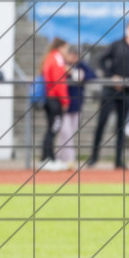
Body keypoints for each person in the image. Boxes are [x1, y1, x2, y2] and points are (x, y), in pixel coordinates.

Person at [87, 20, 129, 169]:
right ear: (127, 30)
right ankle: (94, 157)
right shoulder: (117, 45)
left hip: (127, 92)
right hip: (110, 90)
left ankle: (118, 161)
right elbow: (100, 60)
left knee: (121, 127)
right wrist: (111, 77)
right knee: (101, 123)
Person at [55, 46, 96, 167]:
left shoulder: (81, 65)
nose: (74, 57)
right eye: (71, 54)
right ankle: (69, 160)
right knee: (65, 133)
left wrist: (75, 73)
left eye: (76, 55)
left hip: (77, 106)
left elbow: (92, 75)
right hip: (63, 105)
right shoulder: (61, 64)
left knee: (70, 133)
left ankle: (60, 158)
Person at [40, 38, 71, 171]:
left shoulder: (49, 57)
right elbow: (60, 82)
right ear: (61, 47)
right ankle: (47, 159)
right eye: (66, 48)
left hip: (49, 98)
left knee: (51, 129)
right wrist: (65, 100)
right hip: (55, 99)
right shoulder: (57, 59)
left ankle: (48, 157)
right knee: (53, 129)